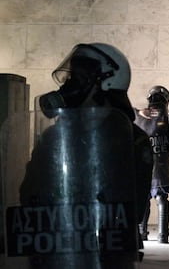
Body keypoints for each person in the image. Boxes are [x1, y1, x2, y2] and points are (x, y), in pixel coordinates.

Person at [19, 43, 153, 268]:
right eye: (71, 77)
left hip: (104, 255)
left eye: (80, 78)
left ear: (107, 83)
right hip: (54, 248)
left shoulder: (131, 140)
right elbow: (29, 192)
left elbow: (130, 209)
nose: (70, 85)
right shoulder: (55, 135)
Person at [134, 85, 169, 243]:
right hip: (159, 163)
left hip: (148, 164)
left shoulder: (141, 117)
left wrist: (139, 113)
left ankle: (142, 232)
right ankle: (161, 235)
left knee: (146, 199)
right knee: (160, 198)